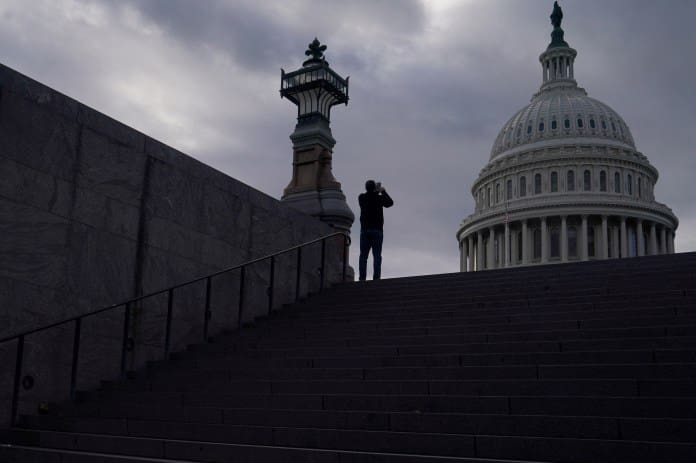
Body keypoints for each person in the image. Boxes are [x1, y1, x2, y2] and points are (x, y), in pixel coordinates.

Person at [358, 179, 394, 281]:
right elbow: (390, 203)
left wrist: (375, 191)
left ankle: (362, 278)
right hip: (377, 231)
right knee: (377, 256)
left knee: (363, 256)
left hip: (365, 231)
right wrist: (382, 191)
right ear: (374, 188)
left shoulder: (361, 197)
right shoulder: (379, 198)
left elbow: (370, 197)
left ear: (366, 187)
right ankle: (376, 278)